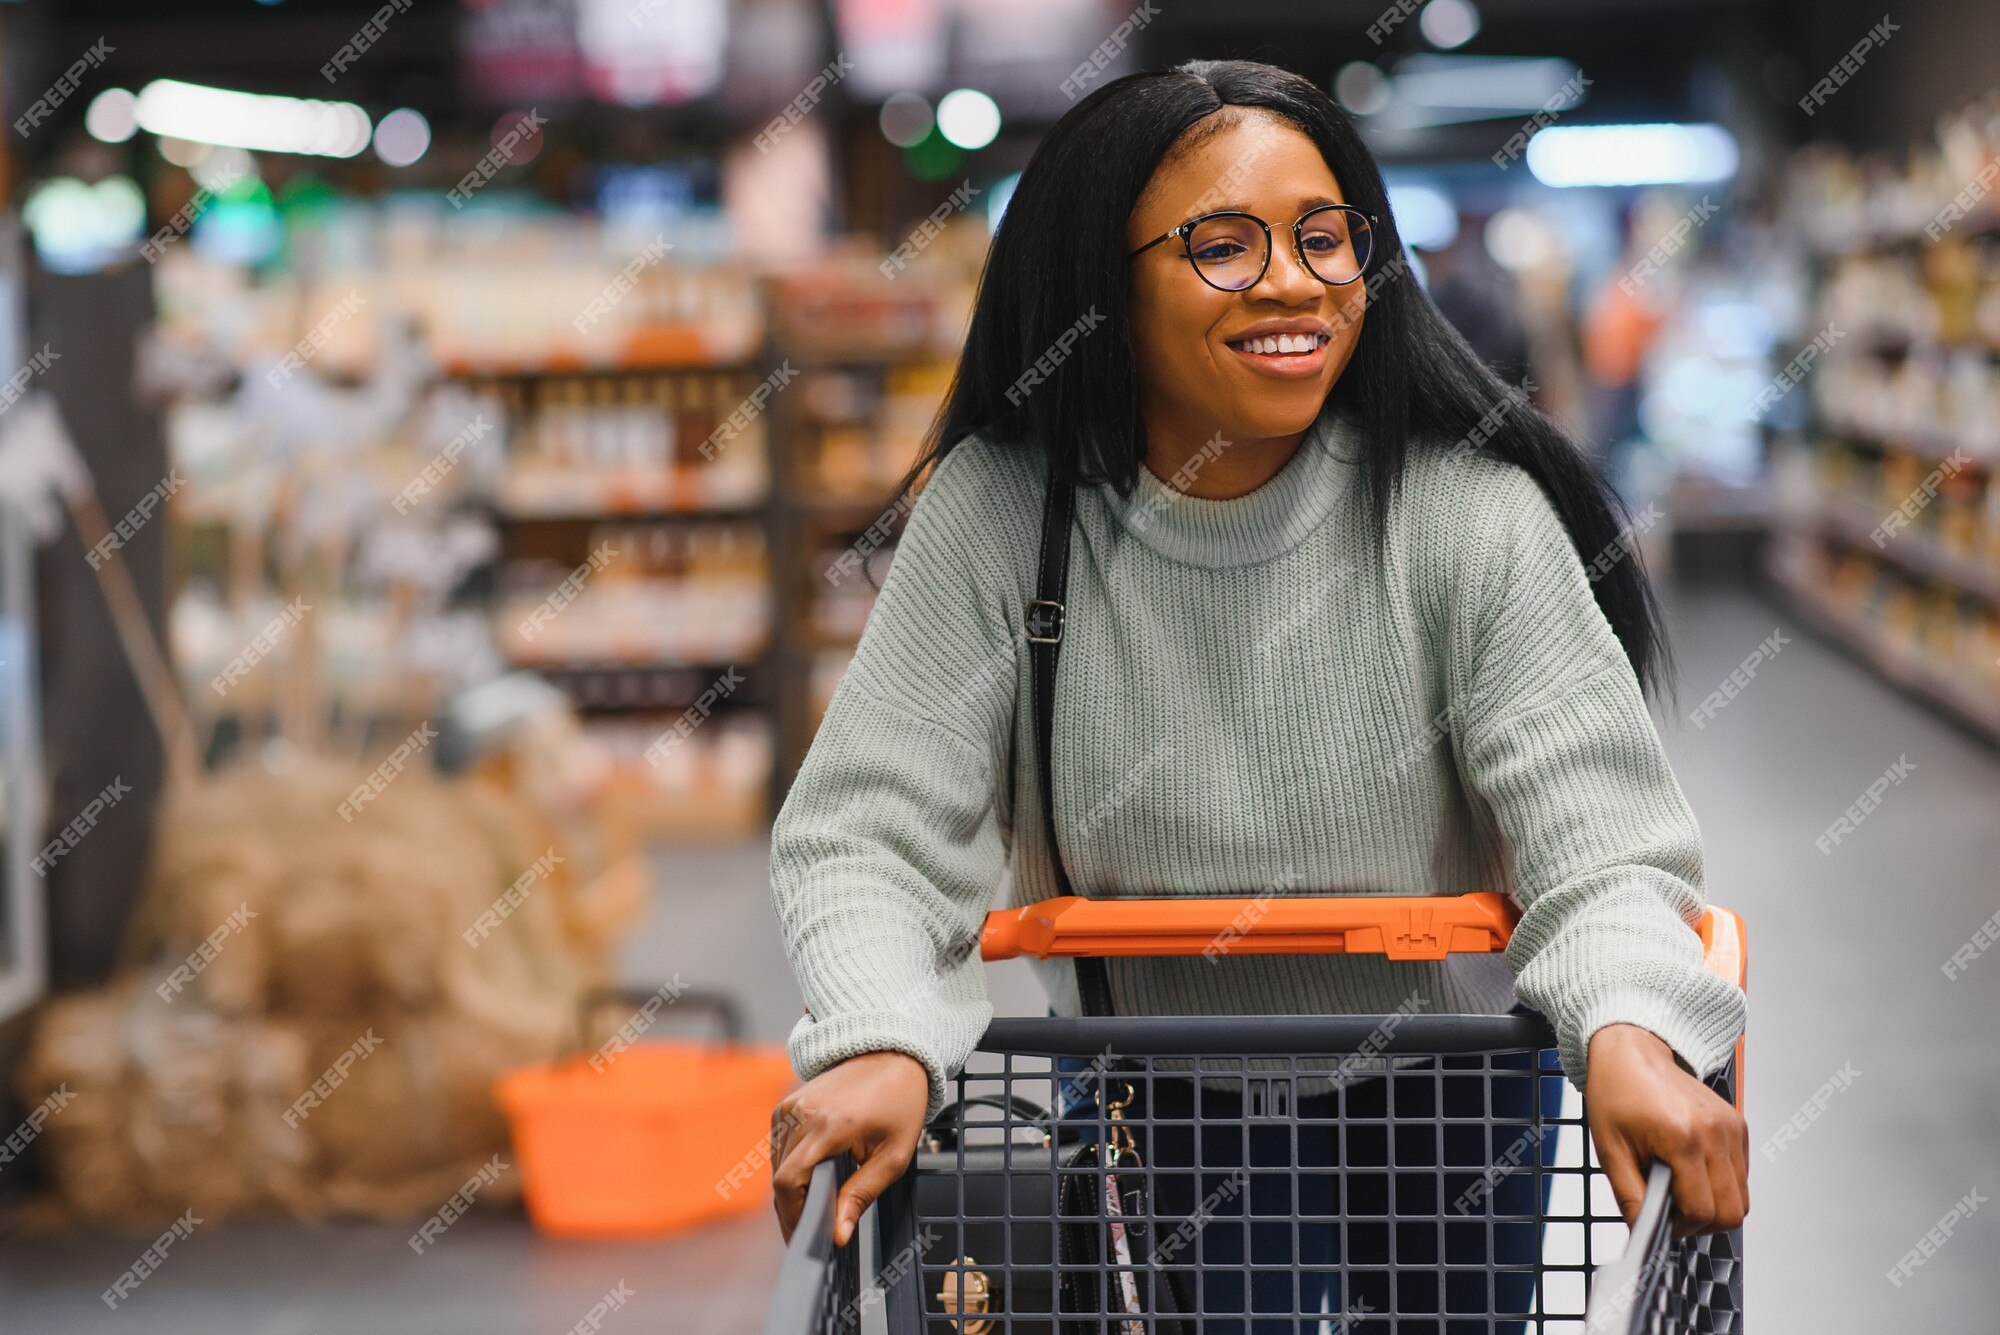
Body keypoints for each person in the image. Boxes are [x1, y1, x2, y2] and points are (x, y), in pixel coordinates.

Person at [766, 56, 1749, 1325]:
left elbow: (1606, 844)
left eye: (1324, 237)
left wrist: (1626, 1018)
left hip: (1452, 1080)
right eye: (1221, 245)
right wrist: (880, 1032)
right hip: (1153, 1086)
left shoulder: (1462, 512)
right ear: (1099, 288)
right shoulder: (1010, 511)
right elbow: (867, 830)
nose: (1291, 281)